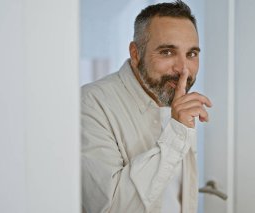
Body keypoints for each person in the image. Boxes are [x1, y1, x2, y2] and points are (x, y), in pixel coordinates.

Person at [80, 1, 212, 212]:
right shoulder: (90, 104)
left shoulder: (175, 101)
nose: (183, 69)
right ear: (135, 53)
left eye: (192, 54)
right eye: (167, 52)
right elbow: (109, 207)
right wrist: (177, 134)